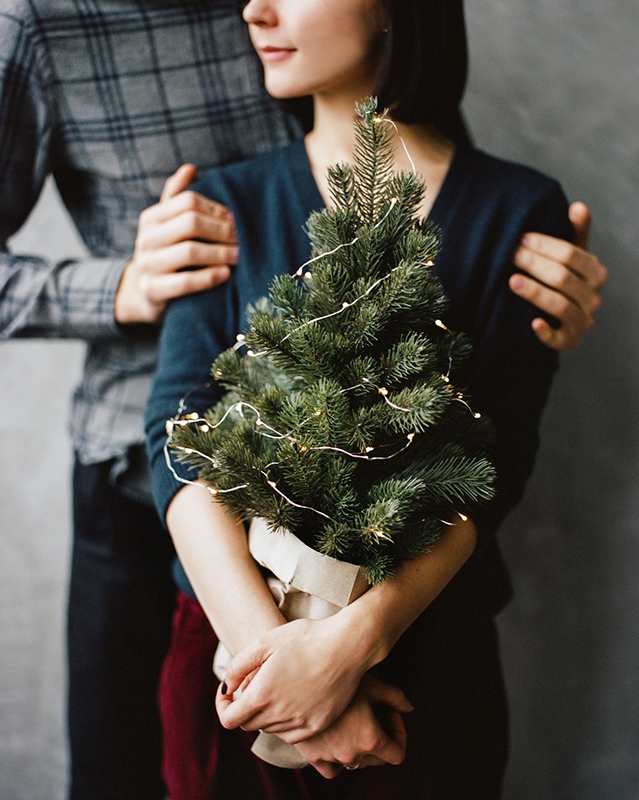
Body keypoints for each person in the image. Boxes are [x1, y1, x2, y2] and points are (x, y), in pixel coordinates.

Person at [0, 1, 605, 798]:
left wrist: (349, 649)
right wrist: (279, 671)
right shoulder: (227, 205)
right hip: (229, 657)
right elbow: (179, 432)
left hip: (428, 666)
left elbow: (493, 462)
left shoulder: (513, 211)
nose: (255, 8)